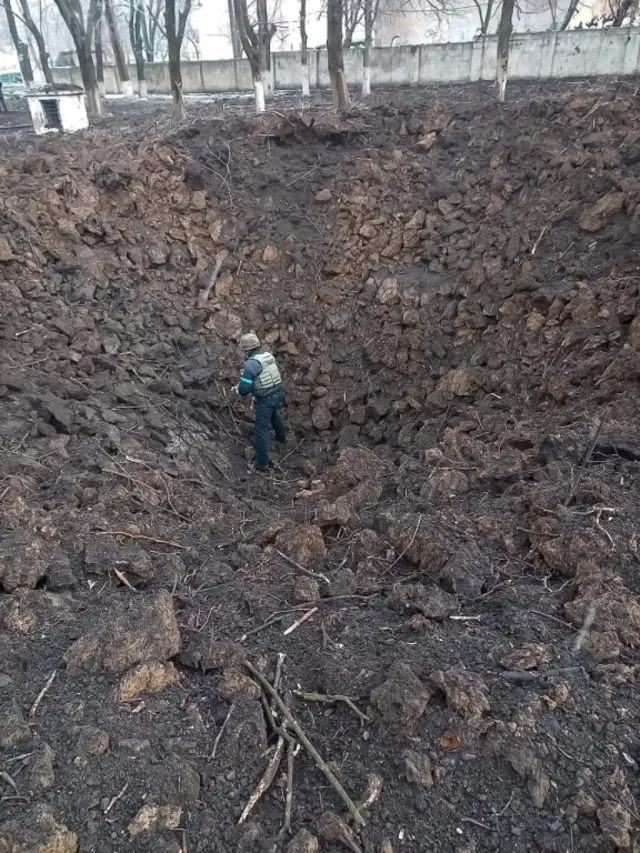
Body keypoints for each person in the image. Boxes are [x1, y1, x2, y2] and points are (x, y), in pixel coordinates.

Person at [235, 332, 286, 472]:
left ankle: (262, 463)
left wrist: (240, 387)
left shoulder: (250, 365)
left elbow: (243, 389)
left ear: (246, 349)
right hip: (278, 392)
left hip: (266, 398)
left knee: (261, 429)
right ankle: (282, 437)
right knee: (275, 414)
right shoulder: (268, 356)